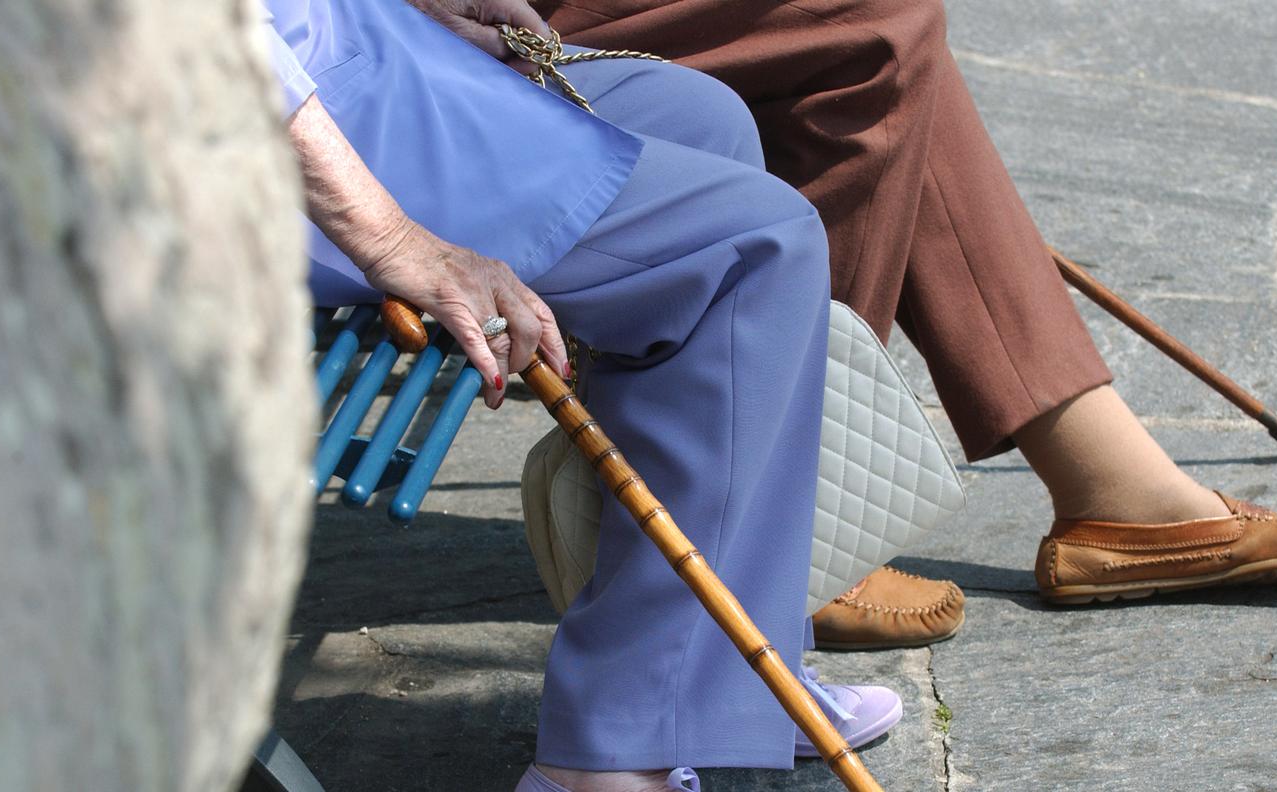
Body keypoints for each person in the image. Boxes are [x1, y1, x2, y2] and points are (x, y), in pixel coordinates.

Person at [532, 0, 1277, 634]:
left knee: (877, 43)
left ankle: (1108, 486)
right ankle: (783, 516)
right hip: (445, 48)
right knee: (872, 24)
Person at [264, 1, 905, 788]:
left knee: (704, 120)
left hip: (341, 48)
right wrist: (398, 241)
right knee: (750, 244)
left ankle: (726, 675)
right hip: (249, 140)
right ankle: (607, 758)